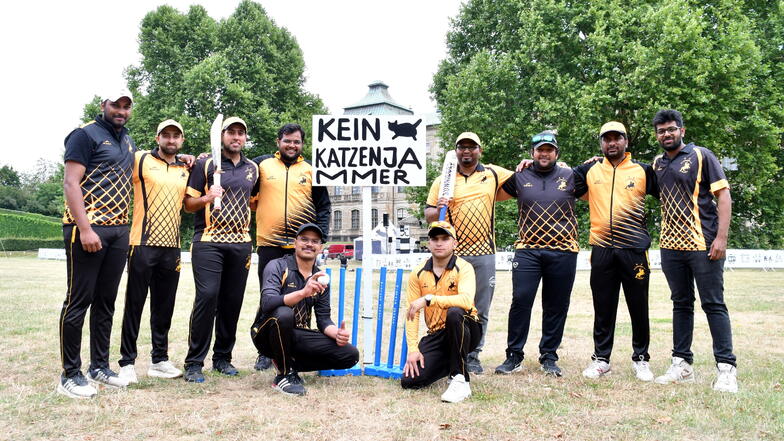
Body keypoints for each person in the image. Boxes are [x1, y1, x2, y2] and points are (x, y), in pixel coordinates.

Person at [650, 109, 738, 393]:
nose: (667, 134)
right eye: (662, 131)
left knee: (713, 303)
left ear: (682, 131)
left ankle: (726, 369)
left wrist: (721, 238)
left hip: (703, 245)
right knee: (681, 304)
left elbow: (723, 195)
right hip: (670, 247)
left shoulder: (701, 156)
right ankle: (682, 363)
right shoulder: (657, 164)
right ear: (657, 135)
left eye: (672, 129)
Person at [58, 90, 136, 398]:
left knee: (106, 302)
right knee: (78, 301)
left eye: (126, 106)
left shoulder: (127, 139)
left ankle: (99, 367)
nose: (121, 110)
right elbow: (70, 182)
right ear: (103, 104)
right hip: (87, 230)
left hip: (118, 231)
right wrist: (86, 228)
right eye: (115, 104)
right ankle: (70, 374)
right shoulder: (84, 134)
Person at [572, 122, 659, 382]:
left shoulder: (643, 170)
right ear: (601, 143)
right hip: (602, 250)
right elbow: (559, 176)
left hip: (634, 250)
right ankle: (601, 359)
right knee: (603, 307)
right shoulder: (588, 170)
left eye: (617, 138)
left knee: (638, 306)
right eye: (606, 139)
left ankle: (641, 359)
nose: (612, 143)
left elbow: (669, 191)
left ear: (626, 141)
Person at [494, 131, 583, 377]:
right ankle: (514, 355)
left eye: (549, 150)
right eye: (539, 150)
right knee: (521, 300)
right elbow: (490, 184)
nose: (544, 154)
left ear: (556, 153)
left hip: (563, 250)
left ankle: (549, 356)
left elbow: (598, 178)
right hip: (528, 250)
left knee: (556, 305)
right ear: (532, 153)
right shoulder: (520, 176)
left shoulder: (571, 175)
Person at [425, 132, 513, 374]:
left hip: (484, 253)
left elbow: (525, 178)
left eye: (471, 147)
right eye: (461, 147)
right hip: (454, 255)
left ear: (479, 150)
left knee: (480, 307)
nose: (466, 151)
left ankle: (473, 355)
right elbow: (429, 214)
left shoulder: (492, 174)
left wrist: (534, 164)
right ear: (455, 151)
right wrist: (440, 207)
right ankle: (449, 351)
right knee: (450, 307)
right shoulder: (442, 180)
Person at [182, 116, 259, 383]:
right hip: (208, 240)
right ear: (222, 136)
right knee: (208, 296)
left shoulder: (253, 169)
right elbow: (188, 204)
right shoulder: (205, 164)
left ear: (245, 138)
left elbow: (255, 201)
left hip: (241, 243)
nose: (236, 137)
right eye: (231, 133)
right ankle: (193, 363)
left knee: (231, 301)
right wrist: (208, 197)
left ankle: (222, 358)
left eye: (241, 133)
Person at [252, 123, 331, 372]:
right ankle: (265, 350)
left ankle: (298, 343)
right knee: (271, 297)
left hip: (302, 245)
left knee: (306, 294)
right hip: (269, 243)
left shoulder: (311, 170)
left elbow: (324, 206)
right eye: (287, 141)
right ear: (278, 141)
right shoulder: (262, 165)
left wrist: (321, 238)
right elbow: (236, 170)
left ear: (302, 145)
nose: (291, 145)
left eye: (296, 142)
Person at [116, 119, 191, 383]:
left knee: (164, 307)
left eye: (176, 137)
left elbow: (191, 201)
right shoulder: (140, 159)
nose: (171, 140)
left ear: (181, 140)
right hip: (141, 243)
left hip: (172, 247)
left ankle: (159, 360)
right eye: (166, 136)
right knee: (134, 304)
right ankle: (126, 362)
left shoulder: (185, 168)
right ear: (157, 137)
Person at [250, 223, 359, 396]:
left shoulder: (321, 278)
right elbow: (268, 303)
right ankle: (284, 376)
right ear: (295, 243)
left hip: (296, 335)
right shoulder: (277, 265)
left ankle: (287, 361)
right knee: (284, 313)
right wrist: (303, 292)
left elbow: (323, 319)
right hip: (266, 334)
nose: (309, 244)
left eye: (314, 241)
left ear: (320, 248)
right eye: (304, 239)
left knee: (350, 354)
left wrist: (336, 333)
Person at [400, 221, 481, 403]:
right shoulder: (418, 273)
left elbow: (466, 301)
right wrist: (413, 349)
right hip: (438, 334)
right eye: (435, 239)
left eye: (445, 238)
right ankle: (453, 361)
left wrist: (430, 299)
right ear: (428, 243)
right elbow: (412, 313)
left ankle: (460, 379)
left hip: (467, 327)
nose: (439, 243)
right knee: (410, 381)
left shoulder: (464, 267)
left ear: (455, 243)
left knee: (454, 313)